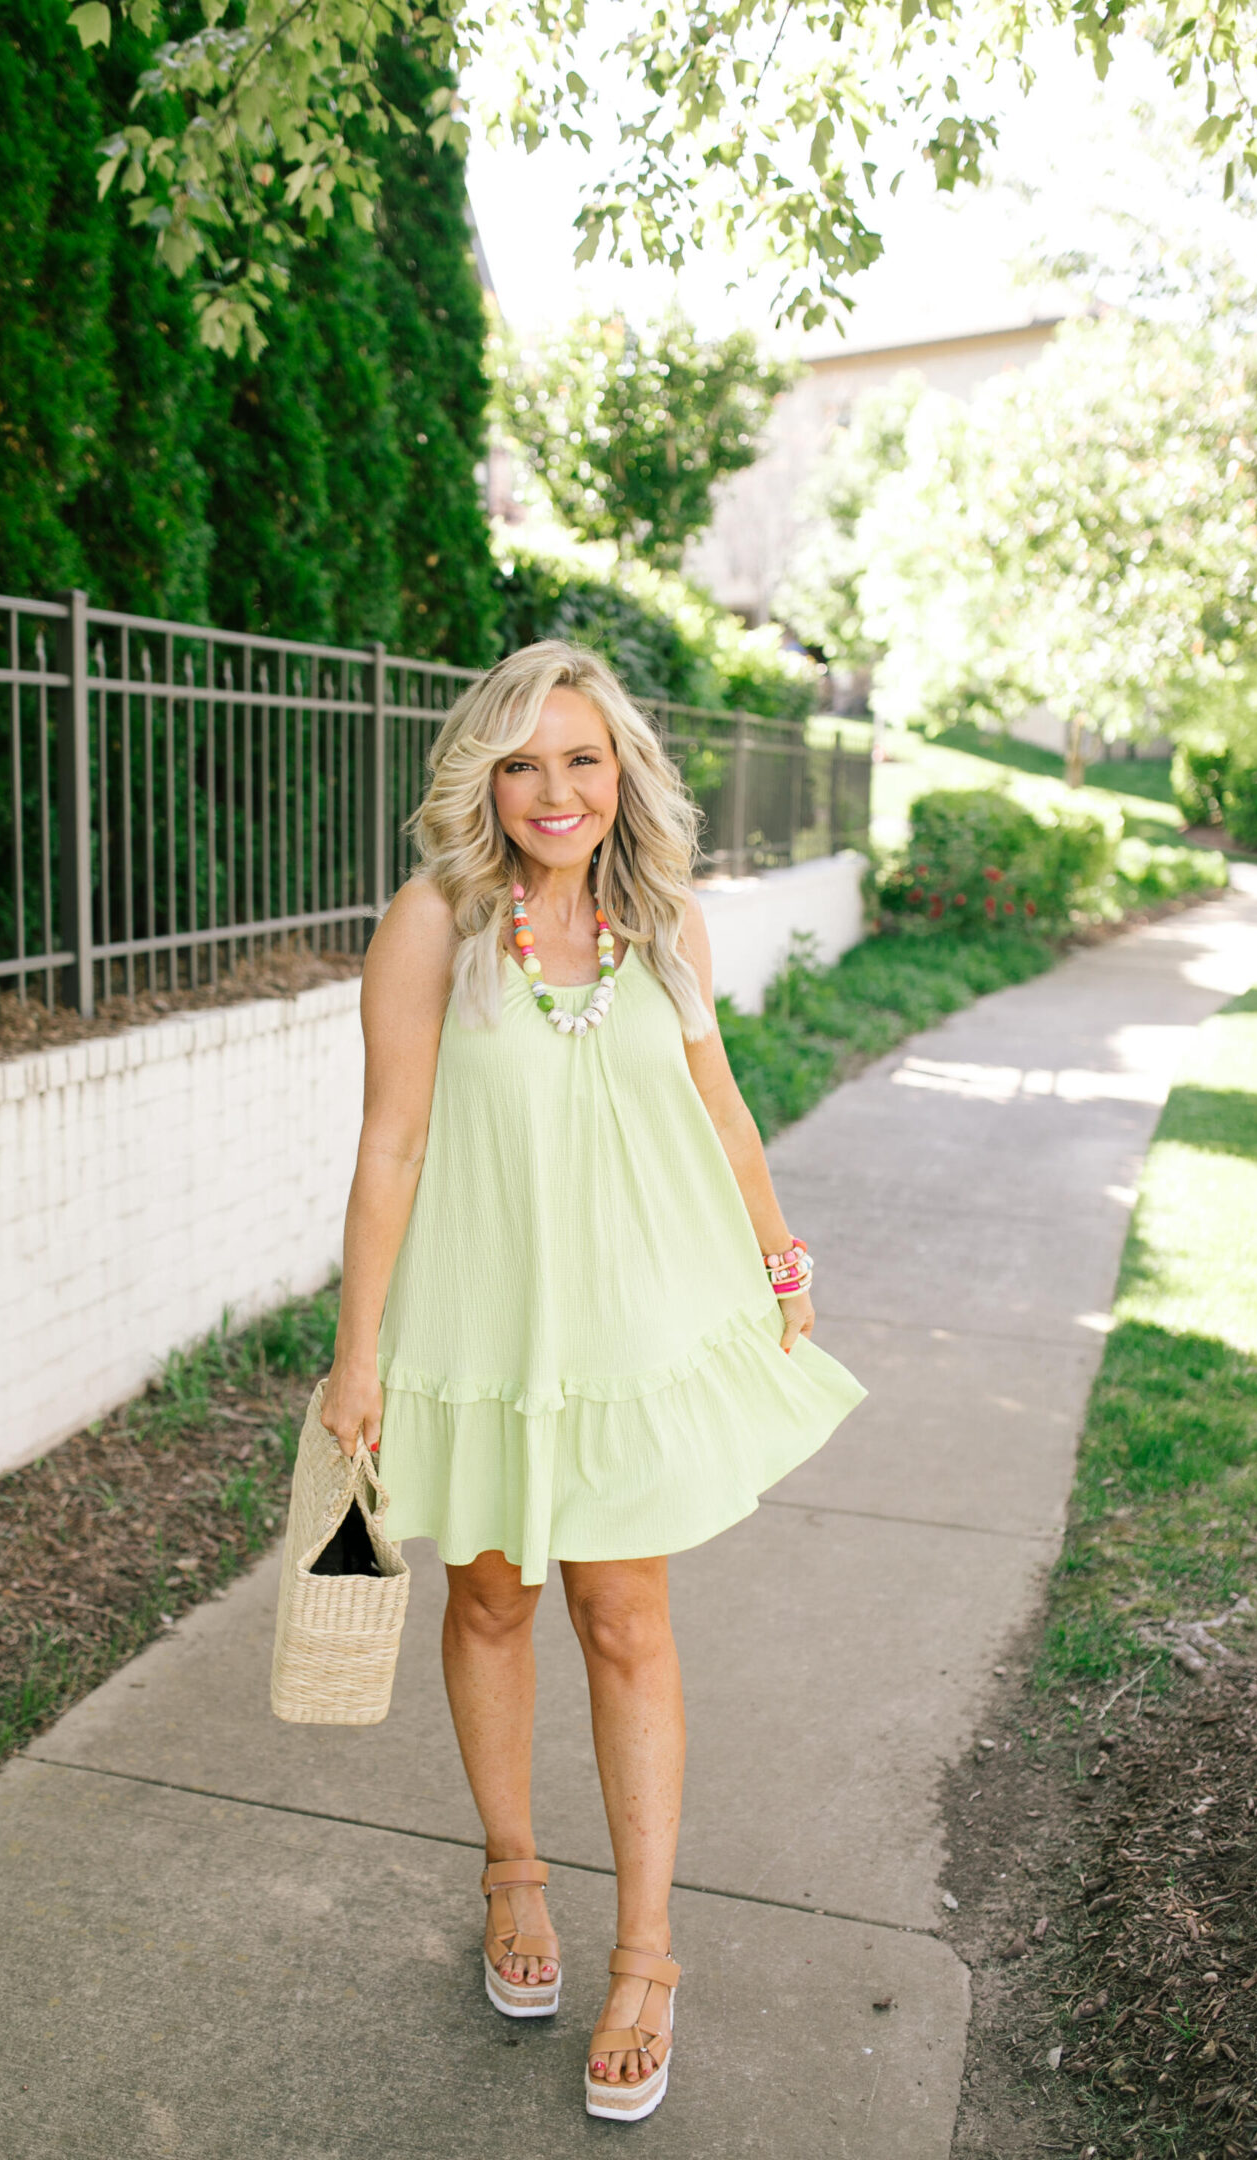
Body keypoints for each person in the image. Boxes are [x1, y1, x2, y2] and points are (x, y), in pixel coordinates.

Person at [317, 641, 864, 2122]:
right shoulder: (434, 926)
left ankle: (648, 1956)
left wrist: (780, 1260)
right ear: (482, 777)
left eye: (582, 758)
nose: (555, 790)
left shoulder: (659, 917)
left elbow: (720, 1101)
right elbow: (391, 1146)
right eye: (522, 761)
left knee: (627, 1619)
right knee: (489, 1600)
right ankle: (512, 1877)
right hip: (483, 1330)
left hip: (631, 1328)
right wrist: (358, 1351)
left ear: (619, 770)